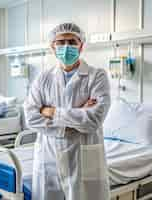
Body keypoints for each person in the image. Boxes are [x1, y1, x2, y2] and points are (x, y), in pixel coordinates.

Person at [23, 23, 111, 200]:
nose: (66, 47)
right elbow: (31, 117)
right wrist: (72, 122)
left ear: (81, 45)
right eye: (60, 42)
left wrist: (51, 111)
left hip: (83, 153)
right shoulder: (43, 78)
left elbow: (94, 119)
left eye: (72, 41)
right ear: (52, 47)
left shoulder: (97, 76)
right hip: (49, 155)